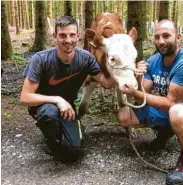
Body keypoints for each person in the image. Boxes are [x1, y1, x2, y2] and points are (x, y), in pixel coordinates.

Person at [118, 19, 183, 185]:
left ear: (178, 37)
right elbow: (143, 94)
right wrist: (138, 74)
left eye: (166, 36)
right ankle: (165, 132)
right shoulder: (153, 60)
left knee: (176, 112)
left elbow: (171, 102)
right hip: (169, 109)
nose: (161, 41)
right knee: (125, 115)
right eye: (157, 37)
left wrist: (135, 93)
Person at [20, 16, 114, 162]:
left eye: (72, 35)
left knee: (73, 152)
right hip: (43, 106)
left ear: (78, 36)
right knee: (49, 114)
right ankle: (51, 138)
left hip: (68, 108)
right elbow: (25, 97)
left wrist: (126, 67)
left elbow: (107, 83)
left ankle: (69, 131)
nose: (68, 40)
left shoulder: (86, 59)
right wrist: (57, 100)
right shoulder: (40, 59)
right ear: (55, 36)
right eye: (62, 35)